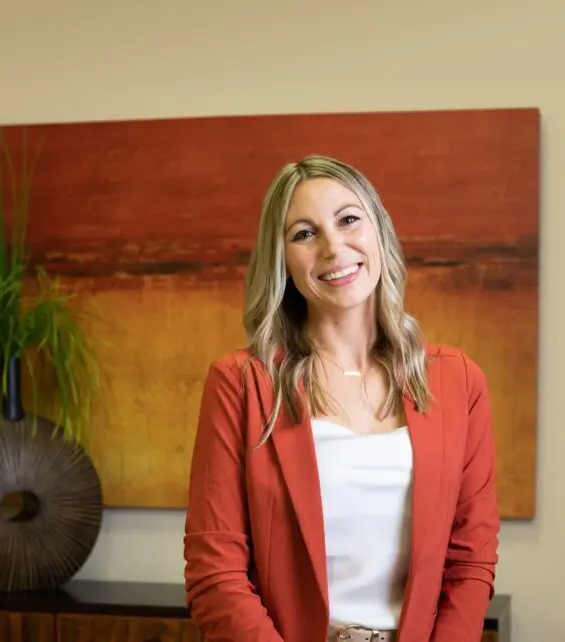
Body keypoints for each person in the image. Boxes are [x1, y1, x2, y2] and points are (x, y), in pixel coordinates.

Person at [183, 154, 500, 642]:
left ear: (379, 233)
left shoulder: (458, 380)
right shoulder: (241, 383)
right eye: (304, 234)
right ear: (282, 260)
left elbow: (470, 561)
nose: (334, 247)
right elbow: (216, 573)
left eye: (349, 219)